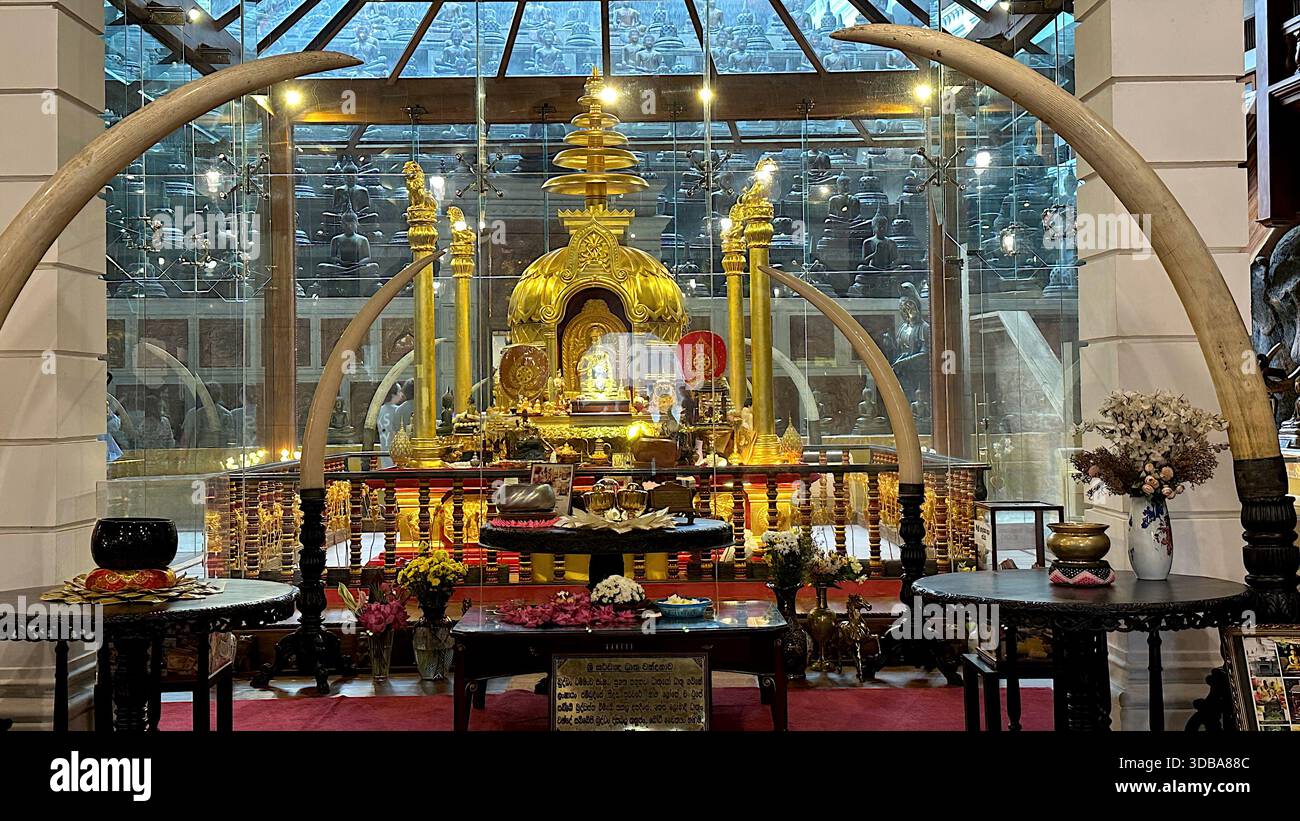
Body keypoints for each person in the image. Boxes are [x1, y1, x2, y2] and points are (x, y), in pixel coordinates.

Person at [180, 383, 233, 449]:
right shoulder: (193, 413)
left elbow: (229, 438)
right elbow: (185, 439)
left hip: (218, 452)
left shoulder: (226, 414)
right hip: (200, 451)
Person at [377, 382, 404, 468]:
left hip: (383, 450)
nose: (401, 394)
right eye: (399, 391)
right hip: (396, 452)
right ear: (393, 394)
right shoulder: (398, 410)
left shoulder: (379, 410)